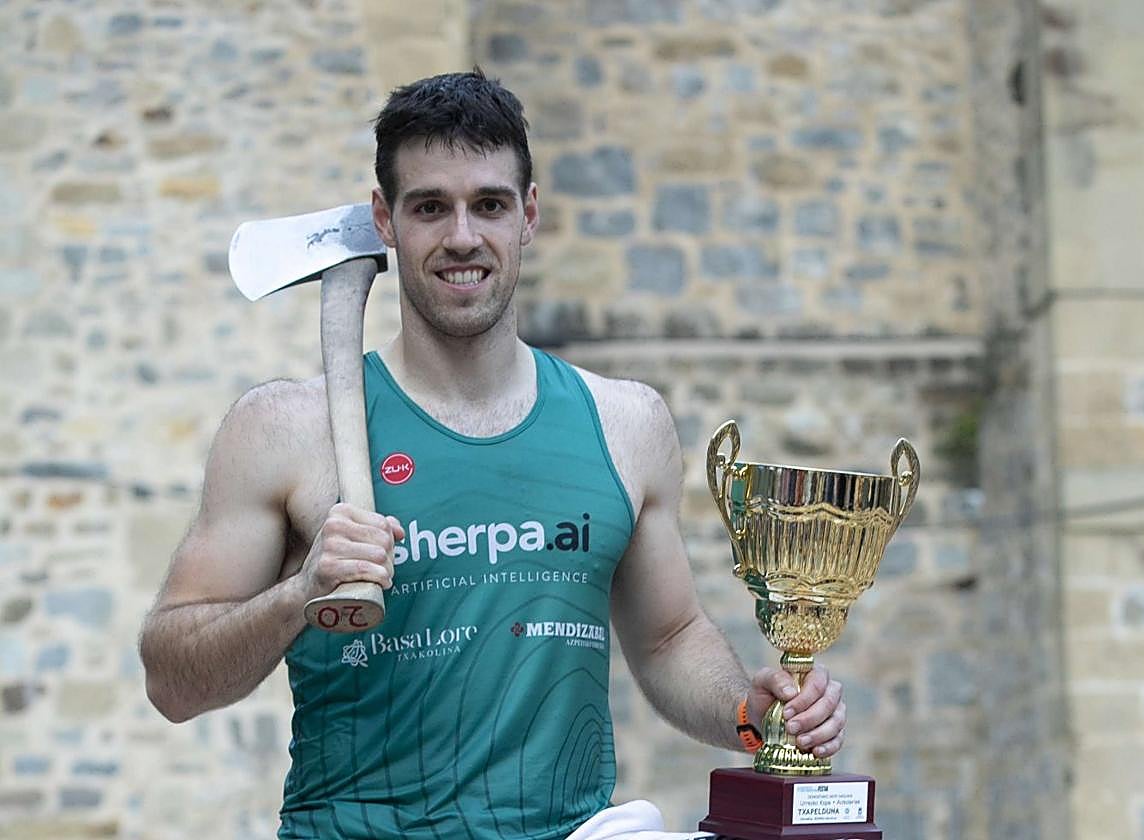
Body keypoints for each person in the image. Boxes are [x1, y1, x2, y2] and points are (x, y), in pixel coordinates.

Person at [139, 68, 846, 840]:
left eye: (490, 205)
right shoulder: (283, 430)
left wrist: (749, 710)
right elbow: (173, 681)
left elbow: (668, 637)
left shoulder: (625, 423)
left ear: (529, 215)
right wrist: (298, 593)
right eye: (430, 207)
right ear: (384, 219)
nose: (463, 236)